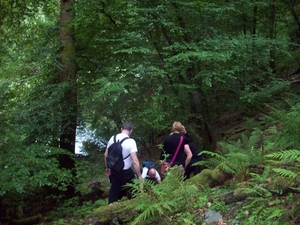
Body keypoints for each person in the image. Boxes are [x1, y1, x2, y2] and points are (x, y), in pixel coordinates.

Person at [104, 121, 142, 204]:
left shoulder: (112, 138)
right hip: (126, 172)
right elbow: (135, 160)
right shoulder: (131, 141)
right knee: (134, 189)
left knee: (114, 190)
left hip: (114, 170)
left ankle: (111, 208)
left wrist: (107, 167)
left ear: (121, 129)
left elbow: (106, 155)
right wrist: (139, 175)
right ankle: (137, 206)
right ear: (131, 130)